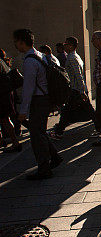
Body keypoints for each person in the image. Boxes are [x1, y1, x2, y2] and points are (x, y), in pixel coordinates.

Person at [13, 28, 61, 179]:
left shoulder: (29, 61)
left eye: (16, 42)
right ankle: (54, 157)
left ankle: (44, 168)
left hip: (38, 100)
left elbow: (28, 88)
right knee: (40, 132)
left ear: (21, 42)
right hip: (44, 99)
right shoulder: (40, 55)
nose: (15, 45)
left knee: (36, 136)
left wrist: (23, 111)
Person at [50, 36, 97, 139]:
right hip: (76, 89)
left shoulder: (72, 58)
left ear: (71, 46)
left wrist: (82, 91)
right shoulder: (75, 56)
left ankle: (59, 131)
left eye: (66, 43)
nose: (64, 45)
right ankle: (59, 130)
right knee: (75, 111)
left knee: (69, 111)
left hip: (76, 90)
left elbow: (78, 75)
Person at [0, 49, 21, 153]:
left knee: (5, 119)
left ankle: (15, 142)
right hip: (6, 95)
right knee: (5, 119)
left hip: (2, 96)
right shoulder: (3, 62)